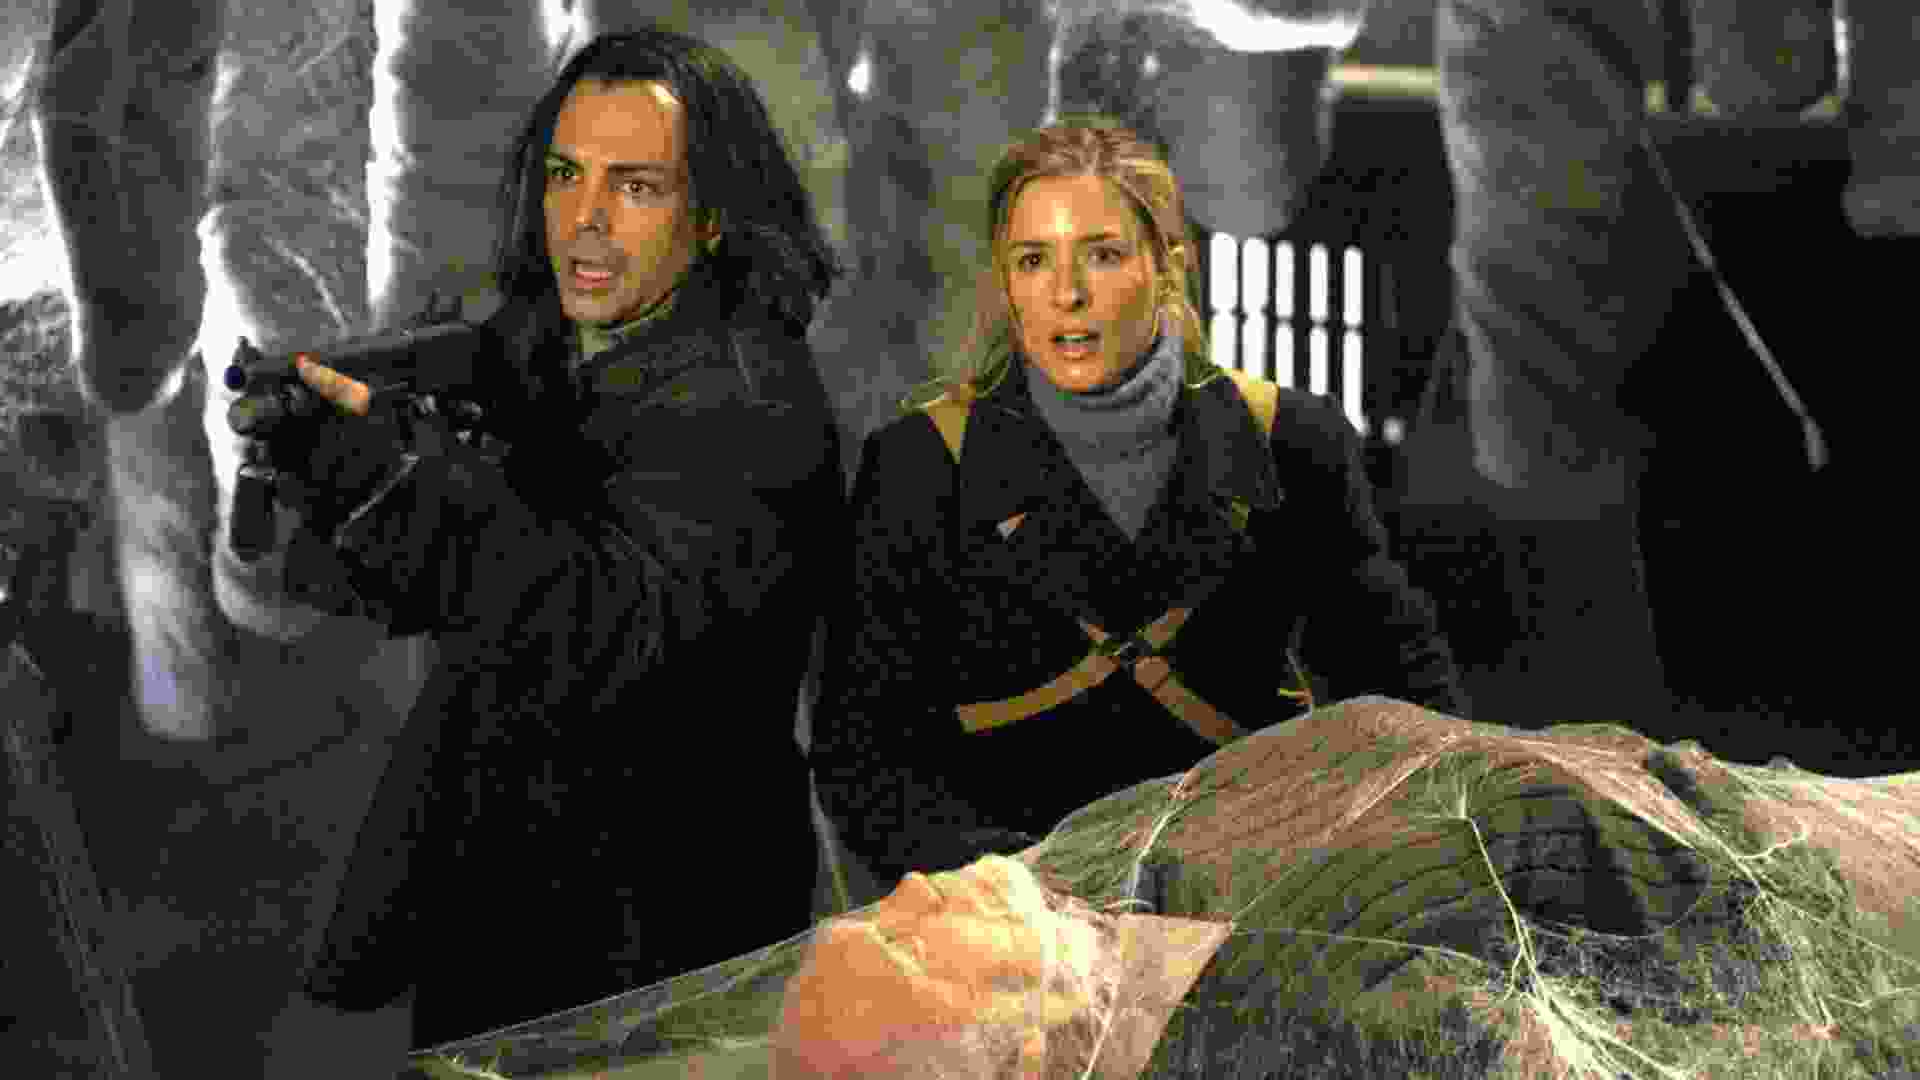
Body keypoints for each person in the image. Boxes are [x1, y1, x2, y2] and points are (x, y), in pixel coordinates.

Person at [287, 26, 845, 1048]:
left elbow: (599, 630)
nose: (584, 218)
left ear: (711, 217)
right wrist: (325, 469)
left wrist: (406, 476)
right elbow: (401, 590)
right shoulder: (548, 342)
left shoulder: (753, 402)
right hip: (507, 881)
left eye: (635, 186)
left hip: (658, 931)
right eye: (564, 174)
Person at [811, 125, 1466, 890]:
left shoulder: (1292, 441)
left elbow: (1404, 696)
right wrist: (1015, 887)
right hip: (1006, 909)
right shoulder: (920, 463)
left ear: (1167, 268)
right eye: (1033, 261)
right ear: (1006, 283)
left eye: (1103, 255)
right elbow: (863, 755)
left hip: (1242, 896)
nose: (1067, 293)